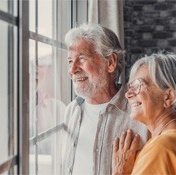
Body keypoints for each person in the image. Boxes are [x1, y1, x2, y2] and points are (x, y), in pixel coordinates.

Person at [62, 23, 149, 175]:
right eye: (70, 61)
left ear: (110, 63)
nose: (72, 69)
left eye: (81, 59)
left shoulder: (141, 114)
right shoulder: (72, 110)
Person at [112, 52, 176, 175]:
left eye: (138, 85)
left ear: (169, 97)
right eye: (130, 86)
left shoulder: (160, 149)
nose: (128, 94)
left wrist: (120, 173)